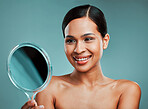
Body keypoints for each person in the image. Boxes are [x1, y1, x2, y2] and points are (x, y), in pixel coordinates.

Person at [21, 4, 141, 109]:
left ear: (105, 41)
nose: (78, 50)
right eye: (70, 41)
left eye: (88, 39)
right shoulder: (48, 87)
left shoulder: (127, 90)